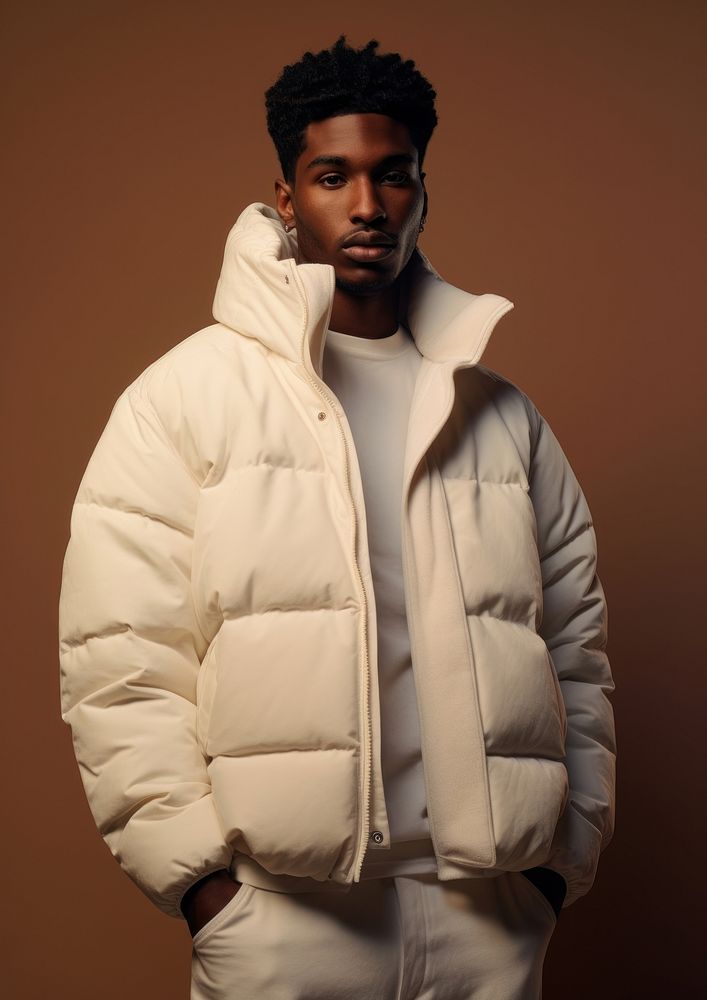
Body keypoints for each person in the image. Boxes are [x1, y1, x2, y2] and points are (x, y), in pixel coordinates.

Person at [59, 35, 617, 1000]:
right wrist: (205, 889)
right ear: (286, 197)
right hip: (282, 915)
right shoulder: (185, 397)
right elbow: (121, 659)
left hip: (488, 911)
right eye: (332, 176)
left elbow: (575, 650)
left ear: (422, 191)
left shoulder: (502, 417)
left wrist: (551, 868)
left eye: (392, 176)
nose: (367, 206)